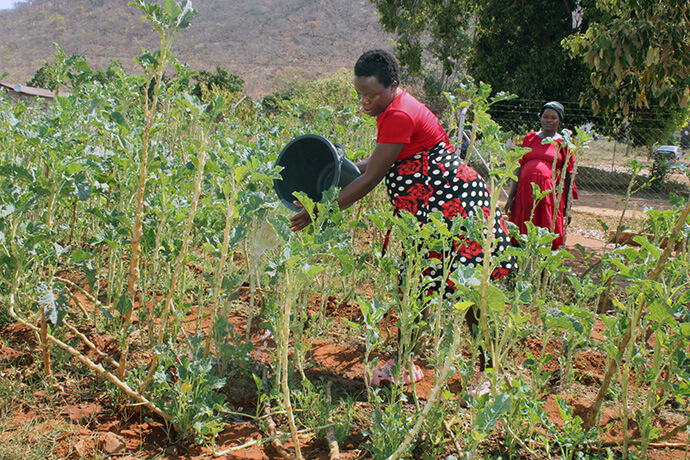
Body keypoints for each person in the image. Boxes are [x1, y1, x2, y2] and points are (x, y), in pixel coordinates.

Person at [289, 49, 514, 392]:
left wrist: (321, 210)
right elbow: (372, 163)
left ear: (394, 86)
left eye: (372, 94)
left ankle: (492, 373)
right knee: (414, 285)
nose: (365, 101)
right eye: (360, 93)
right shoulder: (390, 108)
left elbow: (371, 178)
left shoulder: (398, 114)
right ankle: (406, 361)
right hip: (428, 212)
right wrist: (334, 169)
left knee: (470, 291)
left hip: (455, 210)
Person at [505, 101, 577, 250]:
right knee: (520, 229)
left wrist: (567, 207)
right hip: (525, 195)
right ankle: (517, 269)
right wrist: (511, 197)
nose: (548, 120)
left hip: (549, 197)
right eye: (545, 117)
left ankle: (542, 271)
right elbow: (519, 167)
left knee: (546, 231)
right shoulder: (530, 138)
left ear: (560, 121)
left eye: (553, 117)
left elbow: (569, 176)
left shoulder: (564, 143)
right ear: (541, 118)